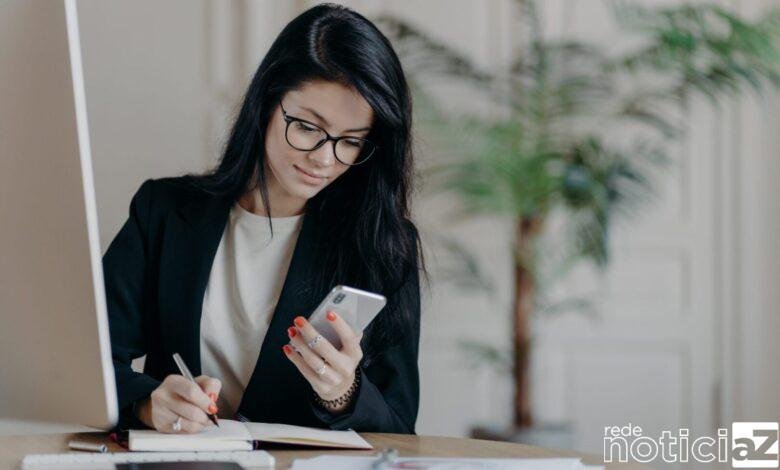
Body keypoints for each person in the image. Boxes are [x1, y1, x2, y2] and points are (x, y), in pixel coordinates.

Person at [103, 3, 422, 435]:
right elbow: (92, 359)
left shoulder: (382, 246)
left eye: (350, 141)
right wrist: (146, 402)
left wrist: (344, 394)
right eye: (308, 127)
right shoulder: (164, 212)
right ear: (267, 102)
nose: (325, 159)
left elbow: (399, 429)